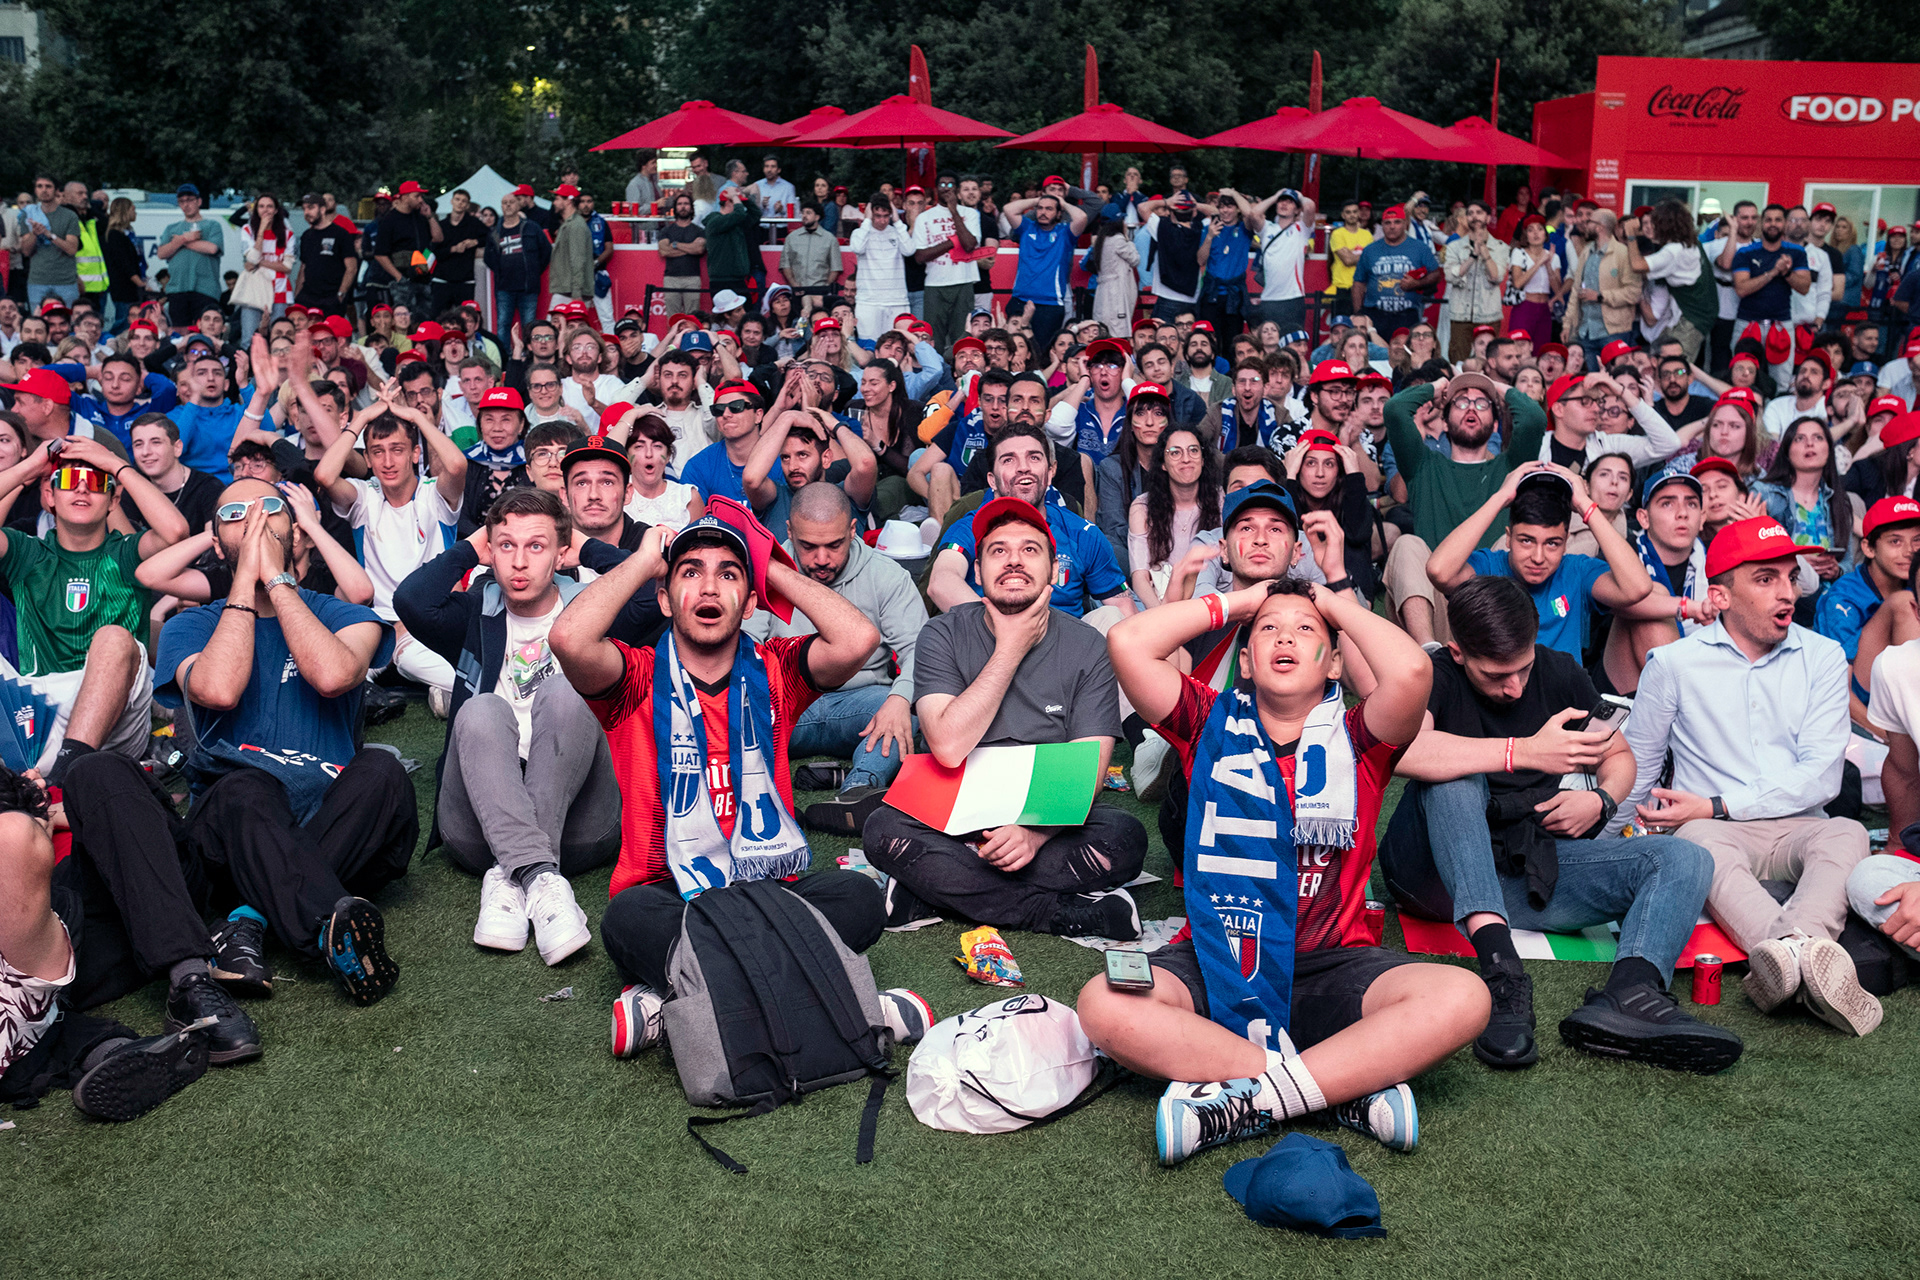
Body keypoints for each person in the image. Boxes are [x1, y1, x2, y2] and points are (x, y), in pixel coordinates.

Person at [1080, 575, 1487, 1164]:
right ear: (1246, 660)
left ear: (1335, 662)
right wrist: (1243, 601)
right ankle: (1335, 1091)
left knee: (1464, 997)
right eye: (1268, 630)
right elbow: (1127, 641)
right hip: (1216, 957)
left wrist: (1334, 604)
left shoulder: (1359, 738)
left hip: (1331, 965)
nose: (1285, 638)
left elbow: (1412, 674)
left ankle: (1247, 1098)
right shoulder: (1208, 722)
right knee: (1103, 1001)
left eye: (1306, 630)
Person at [548, 508, 886, 1044]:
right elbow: (568, 639)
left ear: (750, 603)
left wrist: (768, 564)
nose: (709, 586)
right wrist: (642, 561)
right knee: (627, 917)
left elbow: (857, 638)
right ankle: (841, 994)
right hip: (669, 895)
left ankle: (677, 1003)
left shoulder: (775, 670)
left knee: (860, 898)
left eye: (729, 574)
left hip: (769, 890)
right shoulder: (634, 678)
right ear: (665, 597)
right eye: (690, 573)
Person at [1378, 575, 1740, 1072]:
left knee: (1684, 857)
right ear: (1459, 653)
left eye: (1523, 668)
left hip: (1522, 866)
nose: (1515, 686)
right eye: (1496, 675)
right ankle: (1503, 975)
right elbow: (1404, 752)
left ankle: (1630, 995)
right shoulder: (1437, 672)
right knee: (1455, 779)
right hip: (1430, 872)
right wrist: (1521, 751)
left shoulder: (1559, 672)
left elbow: (1619, 757)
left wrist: (1603, 803)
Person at [145, 478, 414, 1007]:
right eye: (235, 514)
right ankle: (323, 922)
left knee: (383, 772)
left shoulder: (342, 613)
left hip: (334, 816)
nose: (254, 520)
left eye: (269, 507)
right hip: (236, 826)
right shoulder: (191, 624)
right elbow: (218, 690)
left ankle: (248, 921)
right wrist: (247, 578)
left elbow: (334, 676)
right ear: (218, 544)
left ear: (294, 534)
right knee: (246, 788)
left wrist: (276, 578)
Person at [1623, 516, 1880, 1036]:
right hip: (1710, 831)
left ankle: (1785, 957)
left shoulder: (1824, 656)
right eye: (1765, 579)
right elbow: (1639, 763)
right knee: (1693, 846)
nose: (1786, 593)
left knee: (1848, 830)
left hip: (1793, 821)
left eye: (1790, 577)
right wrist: (1607, 850)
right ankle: (1809, 959)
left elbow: (1822, 777)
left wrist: (1717, 803)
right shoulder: (1672, 663)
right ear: (1719, 597)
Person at [864, 496, 1148, 938]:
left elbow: (1090, 765)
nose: (1014, 560)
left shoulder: (1089, 644)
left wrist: (1034, 834)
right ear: (977, 572)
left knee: (1125, 837)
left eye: (1030, 550)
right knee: (883, 829)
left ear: (1055, 571)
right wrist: (1010, 648)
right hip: (955, 805)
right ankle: (1053, 913)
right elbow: (947, 745)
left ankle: (932, 889)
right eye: (998, 551)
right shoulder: (942, 632)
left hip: (1047, 805)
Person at [395, 487, 629, 966]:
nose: (519, 562)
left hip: (580, 823)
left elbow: (653, 586)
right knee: (482, 709)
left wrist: (583, 546)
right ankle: (539, 877)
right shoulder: (472, 613)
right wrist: (472, 545)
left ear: (561, 554)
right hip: (477, 828)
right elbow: (410, 600)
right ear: (490, 552)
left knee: (568, 688)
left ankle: (514, 875)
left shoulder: (592, 610)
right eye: (507, 546)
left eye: (536, 546)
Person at [0, 432, 186, 785]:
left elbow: (175, 530)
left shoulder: (127, 553)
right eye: (69, 481)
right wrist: (29, 467)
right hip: (38, 715)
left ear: (114, 500)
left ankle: (70, 776)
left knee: (115, 639)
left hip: (116, 719)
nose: (82, 489)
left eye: (96, 481)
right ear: (48, 496)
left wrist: (117, 465)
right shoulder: (28, 553)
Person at [746, 482, 928, 835]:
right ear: (789, 532)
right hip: (788, 705)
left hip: (861, 705)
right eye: (808, 546)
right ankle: (761, 799)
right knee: (731, 716)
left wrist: (899, 698)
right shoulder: (768, 572)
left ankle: (856, 790)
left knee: (909, 715)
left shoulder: (886, 575)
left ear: (852, 530)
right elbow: (745, 646)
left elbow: (920, 650)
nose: (822, 559)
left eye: (834, 545)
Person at [314, 388, 468, 709]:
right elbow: (325, 475)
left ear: (415, 454)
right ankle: (433, 689)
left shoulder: (433, 495)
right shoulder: (365, 496)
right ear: (367, 458)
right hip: (377, 626)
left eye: (397, 450)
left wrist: (415, 417)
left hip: (429, 621)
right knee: (337, 671)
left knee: (411, 659)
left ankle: (458, 687)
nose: (388, 461)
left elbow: (456, 466)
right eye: (378, 452)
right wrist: (360, 418)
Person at [1382, 372, 1550, 645]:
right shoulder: (1423, 466)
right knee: (1407, 544)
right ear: (1445, 422)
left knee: (1504, 545)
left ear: (1495, 424)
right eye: (1461, 403)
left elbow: (1533, 418)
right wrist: (1436, 387)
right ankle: (1430, 655)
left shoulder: (1510, 468)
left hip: (1492, 613)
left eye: (1482, 404)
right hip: (1435, 603)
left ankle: (1494, 652)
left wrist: (1493, 386)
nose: (1471, 408)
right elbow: (1395, 409)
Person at [929, 425, 1132, 624]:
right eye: (1009, 460)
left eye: (1034, 458)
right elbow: (941, 581)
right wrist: (1002, 628)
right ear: (992, 480)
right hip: (990, 640)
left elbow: (1123, 606)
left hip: (1066, 644)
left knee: (1110, 618)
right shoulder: (970, 526)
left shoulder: (1082, 533)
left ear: (1050, 472)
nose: (1023, 467)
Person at [1816, 496, 1920, 724]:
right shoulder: (1843, 597)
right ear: (1869, 548)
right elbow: (1838, 691)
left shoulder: (1914, 581)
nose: (1909, 551)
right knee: (1905, 603)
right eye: (1895, 541)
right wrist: (1889, 739)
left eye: (1917, 541)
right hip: (1862, 705)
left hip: (1899, 697)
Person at [1733, 205, 1812, 391]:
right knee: (1741, 380)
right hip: (1748, 322)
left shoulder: (1797, 252)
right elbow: (1742, 289)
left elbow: (1805, 287)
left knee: (1781, 383)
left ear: (1784, 224)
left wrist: (1786, 273)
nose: (1773, 224)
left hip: (1781, 324)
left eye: (1778, 220)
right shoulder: (1745, 252)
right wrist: (1773, 272)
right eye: (1768, 220)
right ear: (1761, 223)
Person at [1001, 193, 1088, 354]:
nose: (1043, 212)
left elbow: (1082, 217)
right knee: (1013, 349)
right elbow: (1009, 209)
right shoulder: (1027, 228)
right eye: (1040, 208)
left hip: (1050, 304)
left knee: (1040, 352)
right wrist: (1037, 200)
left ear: (1059, 213)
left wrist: (1062, 202)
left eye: (1049, 209)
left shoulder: (1064, 233)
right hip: (1020, 299)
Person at [1350, 205, 1440, 340]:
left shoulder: (1420, 248)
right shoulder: (1370, 250)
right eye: (1387, 223)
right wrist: (1358, 314)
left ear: (1405, 224)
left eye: (1397, 222)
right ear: (1382, 225)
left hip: (1407, 314)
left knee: (1405, 354)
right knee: (1374, 354)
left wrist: (1417, 283)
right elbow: (1359, 283)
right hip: (1375, 314)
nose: (1392, 226)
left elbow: (1436, 274)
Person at [124, 413, 221, 535]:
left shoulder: (209, 488)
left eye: (156, 442)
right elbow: (122, 545)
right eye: (138, 444)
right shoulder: (131, 490)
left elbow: (213, 545)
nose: (145, 452)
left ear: (177, 448)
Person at [1443, 201, 1510, 361]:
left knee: (1490, 360)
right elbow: (1450, 276)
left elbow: (1496, 276)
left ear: (1488, 218)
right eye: (1470, 213)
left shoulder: (1500, 247)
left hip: (1488, 315)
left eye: (1479, 213)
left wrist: (1484, 250)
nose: (1474, 216)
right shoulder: (1454, 246)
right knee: (1459, 360)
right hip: (1460, 315)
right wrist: (1473, 256)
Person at [483, 188, 552, 343]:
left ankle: (528, 357)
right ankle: (504, 358)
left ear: (518, 205)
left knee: (529, 325)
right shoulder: (495, 232)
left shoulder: (532, 227)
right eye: (504, 203)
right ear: (501, 207)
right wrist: (501, 269)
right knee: (503, 324)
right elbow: (488, 257)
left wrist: (534, 270)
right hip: (504, 287)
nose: (508, 206)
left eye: (511, 202)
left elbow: (546, 251)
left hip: (528, 287)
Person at [847, 197, 912, 343]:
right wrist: (867, 221)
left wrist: (897, 220)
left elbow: (909, 250)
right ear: (871, 214)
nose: (882, 220)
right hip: (868, 301)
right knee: (868, 345)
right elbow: (857, 247)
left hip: (897, 300)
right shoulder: (860, 232)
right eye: (877, 216)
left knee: (897, 345)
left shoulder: (897, 231)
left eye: (885, 216)